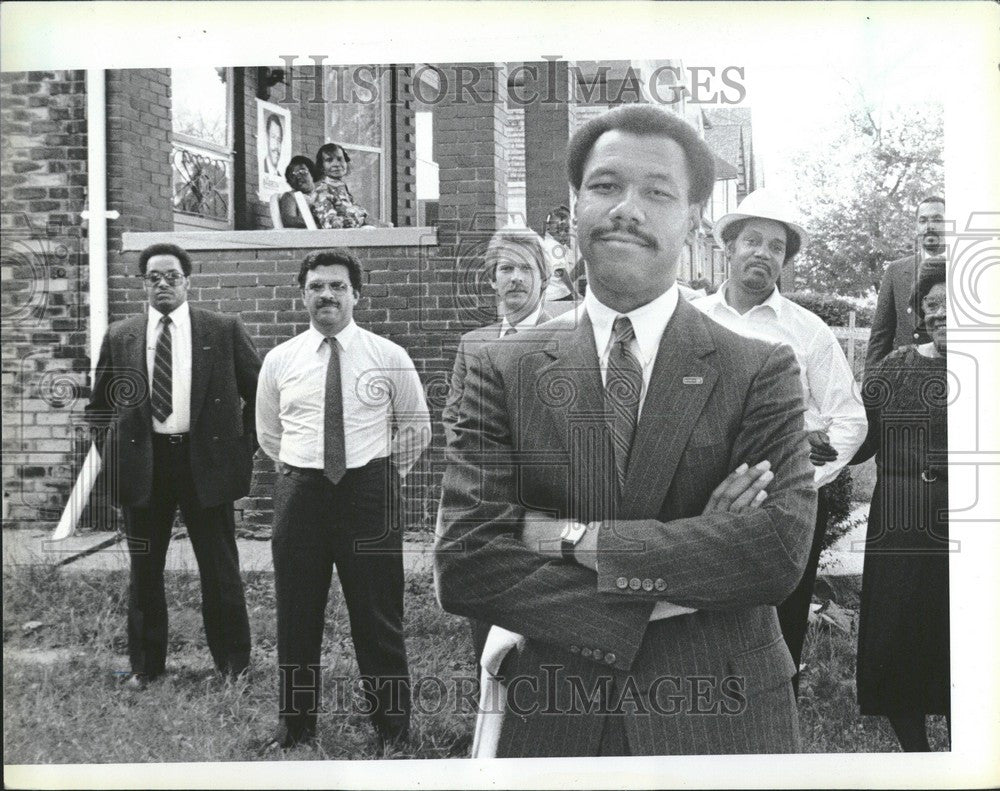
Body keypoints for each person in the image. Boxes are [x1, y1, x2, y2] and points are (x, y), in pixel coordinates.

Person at [435, 104, 817, 757]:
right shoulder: (500, 366)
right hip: (558, 717)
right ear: (576, 205)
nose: (627, 209)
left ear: (694, 218)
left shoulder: (760, 368)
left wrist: (570, 537)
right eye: (606, 186)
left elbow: (774, 554)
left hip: (718, 718)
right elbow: (468, 563)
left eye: (657, 191)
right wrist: (697, 547)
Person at [692, 188, 868, 694]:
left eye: (775, 247)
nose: (762, 253)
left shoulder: (805, 330)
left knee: (781, 620)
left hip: (783, 506)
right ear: (728, 247)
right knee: (704, 611)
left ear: (784, 261)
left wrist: (797, 479)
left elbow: (849, 419)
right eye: (752, 240)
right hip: (704, 497)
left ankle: (775, 716)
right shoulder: (693, 320)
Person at [255, 249, 431, 752]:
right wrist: (302, 470)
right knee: (296, 613)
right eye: (316, 286)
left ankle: (393, 729)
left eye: (337, 285)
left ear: (356, 293)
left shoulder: (388, 356)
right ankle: (296, 728)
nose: (326, 295)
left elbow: (416, 428)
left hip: (368, 495)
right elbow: (269, 433)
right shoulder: (280, 360)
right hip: (302, 495)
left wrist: (377, 476)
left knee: (378, 614)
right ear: (303, 293)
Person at [86, 243, 259, 690]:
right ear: (143, 283)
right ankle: (146, 668)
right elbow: (99, 407)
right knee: (145, 570)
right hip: (145, 463)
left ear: (188, 280)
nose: (163, 284)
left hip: (205, 461)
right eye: (154, 277)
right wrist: (115, 452)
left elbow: (260, 393)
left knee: (219, 567)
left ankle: (233, 666)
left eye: (172, 276)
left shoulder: (222, 330)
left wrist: (243, 449)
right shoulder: (122, 335)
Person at [852, 267, 950, 752]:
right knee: (896, 637)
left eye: (953, 303)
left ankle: (970, 751)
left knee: (961, 635)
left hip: (965, 520)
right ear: (919, 315)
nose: (942, 313)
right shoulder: (895, 366)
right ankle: (918, 756)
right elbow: (861, 437)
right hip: (899, 516)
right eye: (932, 305)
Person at [442, 226, 554, 446]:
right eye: (506, 268)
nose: (516, 278)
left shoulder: (567, 341)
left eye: (526, 268)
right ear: (493, 281)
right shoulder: (471, 344)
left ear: (544, 280)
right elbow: (454, 417)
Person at [865, 196, 946, 370]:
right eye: (923, 220)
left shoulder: (961, 268)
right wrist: (871, 387)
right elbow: (880, 337)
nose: (929, 226)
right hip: (907, 375)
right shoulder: (896, 270)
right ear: (917, 227)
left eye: (937, 220)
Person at [312, 143, 372, 229]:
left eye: (340, 159)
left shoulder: (342, 188)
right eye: (329, 160)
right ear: (322, 167)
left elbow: (361, 212)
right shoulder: (322, 191)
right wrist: (359, 219)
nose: (336, 164)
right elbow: (331, 224)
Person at [541, 205, 580, 314]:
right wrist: (573, 292)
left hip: (549, 295)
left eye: (566, 230)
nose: (563, 234)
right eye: (558, 230)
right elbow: (560, 270)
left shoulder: (547, 244)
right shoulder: (554, 247)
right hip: (558, 295)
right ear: (548, 228)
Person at [278, 156, 318, 229]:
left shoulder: (323, 193)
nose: (298, 177)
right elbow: (289, 220)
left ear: (312, 173)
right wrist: (317, 222)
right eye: (293, 175)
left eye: (302, 172)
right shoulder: (290, 196)